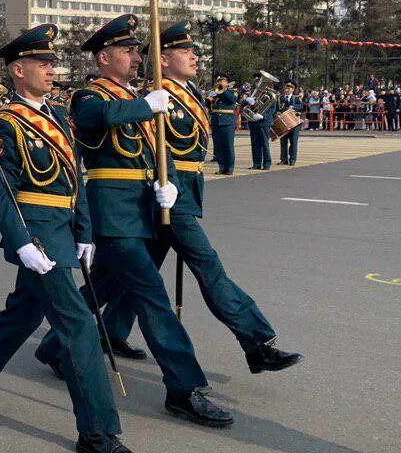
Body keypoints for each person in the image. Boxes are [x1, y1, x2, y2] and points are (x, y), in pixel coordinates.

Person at [0, 25, 142, 453]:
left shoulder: (57, 116)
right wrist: (21, 244)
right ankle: (97, 431)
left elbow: (76, 179)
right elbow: (3, 191)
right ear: (19, 71)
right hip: (36, 237)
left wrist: (86, 231)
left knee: (23, 311)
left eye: (54, 63)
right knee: (78, 327)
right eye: (44, 63)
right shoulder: (5, 123)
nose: (53, 70)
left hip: (64, 229)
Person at [36, 15, 234, 427]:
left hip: (144, 208)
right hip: (111, 214)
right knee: (152, 294)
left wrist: (171, 187)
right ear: (104, 57)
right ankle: (183, 387)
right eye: (127, 51)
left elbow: (156, 154)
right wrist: (146, 106)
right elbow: (99, 118)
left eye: (137, 51)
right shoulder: (89, 96)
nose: (136, 57)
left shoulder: (138, 98)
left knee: (106, 285)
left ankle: (55, 346)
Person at [100, 23, 303, 374]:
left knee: (128, 276)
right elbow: (153, 148)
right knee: (210, 268)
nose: (195, 56)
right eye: (184, 51)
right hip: (166, 196)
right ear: (162, 60)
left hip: (185, 192)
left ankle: (92, 336)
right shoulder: (156, 97)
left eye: (194, 50)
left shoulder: (188, 91)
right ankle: (257, 342)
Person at [206, 72, 238, 175]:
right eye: (219, 81)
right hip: (216, 122)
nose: (220, 82)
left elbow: (232, 100)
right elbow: (210, 109)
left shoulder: (232, 91)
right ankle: (221, 167)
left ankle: (229, 168)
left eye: (223, 81)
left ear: (227, 82)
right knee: (218, 146)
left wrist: (223, 90)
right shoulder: (215, 93)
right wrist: (208, 100)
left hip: (227, 122)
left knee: (228, 146)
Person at [245, 74, 276, 170]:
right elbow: (245, 107)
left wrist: (263, 116)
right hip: (253, 121)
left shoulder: (271, 94)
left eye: (259, 82)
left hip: (264, 122)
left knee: (264, 143)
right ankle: (256, 163)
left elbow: (272, 109)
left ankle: (267, 163)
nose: (258, 84)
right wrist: (247, 101)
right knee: (254, 143)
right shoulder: (253, 93)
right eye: (257, 82)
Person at [277, 81, 303, 165]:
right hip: (284, 122)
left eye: (289, 88)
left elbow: (301, 106)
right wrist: (277, 112)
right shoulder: (280, 98)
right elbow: (277, 108)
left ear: (293, 89)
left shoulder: (296, 98)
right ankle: (283, 159)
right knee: (283, 141)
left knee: (293, 142)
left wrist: (294, 107)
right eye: (285, 88)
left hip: (294, 123)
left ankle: (292, 159)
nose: (287, 90)